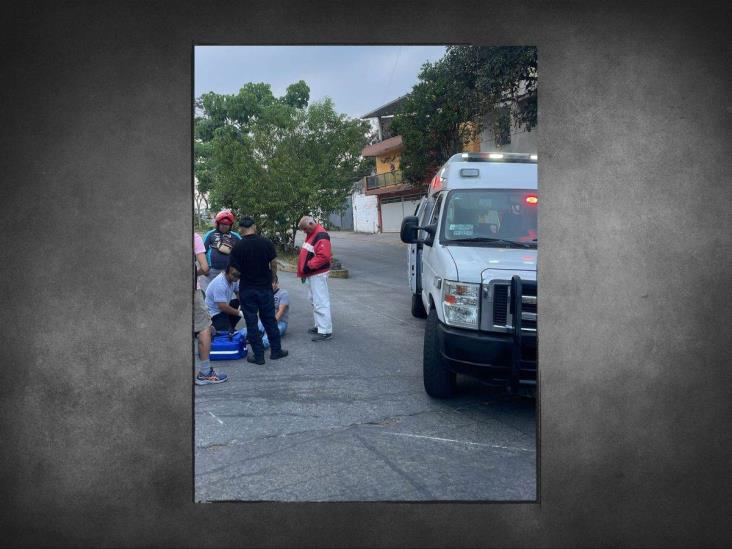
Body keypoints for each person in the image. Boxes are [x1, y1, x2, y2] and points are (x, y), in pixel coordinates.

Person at [228, 215, 288, 365]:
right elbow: (273, 263)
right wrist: (272, 277)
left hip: (247, 290)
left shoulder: (238, 247)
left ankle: (259, 356)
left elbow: (234, 271)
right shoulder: (266, 243)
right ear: (254, 227)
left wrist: (243, 275)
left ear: (241, 229)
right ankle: (276, 351)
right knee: (270, 320)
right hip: (265, 289)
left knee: (252, 322)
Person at [194, 232, 227, 385]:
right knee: (204, 329)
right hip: (191, 291)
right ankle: (205, 372)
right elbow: (205, 268)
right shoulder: (194, 237)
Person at [297, 215, 333, 341]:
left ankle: (325, 331)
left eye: (305, 229)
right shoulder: (313, 233)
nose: (304, 232)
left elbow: (324, 256)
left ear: (311, 224)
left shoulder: (321, 235)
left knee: (320, 301)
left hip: (317, 273)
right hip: (313, 273)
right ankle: (319, 326)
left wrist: (308, 266)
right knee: (315, 300)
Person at [200, 210, 241, 292]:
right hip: (212, 271)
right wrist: (204, 269)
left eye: (227, 225)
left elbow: (243, 251)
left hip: (229, 272)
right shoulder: (210, 234)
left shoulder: (235, 236)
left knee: (227, 293)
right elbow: (201, 252)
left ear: (230, 225)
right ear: (218, 224)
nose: (224, 226)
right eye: (222, 224)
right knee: (210, 292)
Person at [204, 265, 243, 335]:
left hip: (223, 308)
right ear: (227, 272)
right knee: (226, 334)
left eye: (239, 276)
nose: (237, 278)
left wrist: (242, 304)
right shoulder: (220, 284)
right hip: (214, 314)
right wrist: (239, 313)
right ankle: (218, 327)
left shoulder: (234, 280)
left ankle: (230, 326)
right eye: (235, 275)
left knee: (239, 304)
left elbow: (238, 292)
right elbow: (222, 307)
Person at [260, 274, 289, 349]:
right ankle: (235, 336)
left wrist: (269, 326)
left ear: (277, 283)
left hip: (280, 322)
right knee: (251, 328)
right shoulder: (264, 293)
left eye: (272, 283)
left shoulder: (283, 294)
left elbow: (280, 313)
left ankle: (262, 345)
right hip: (266, 320)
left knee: (271, 333)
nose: (270, 285)